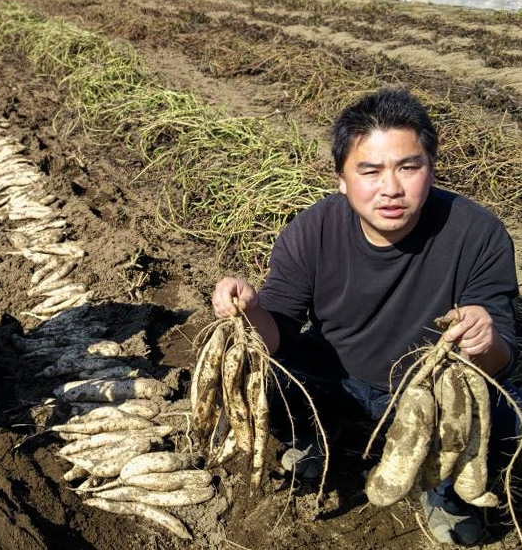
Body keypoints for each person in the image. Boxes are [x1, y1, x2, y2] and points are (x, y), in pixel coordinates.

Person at [212, 89, 518, 545]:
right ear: (342, 178)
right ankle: (317, 435)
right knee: (250, 370)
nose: (390, 188)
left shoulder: (479, 233)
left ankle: (445, 493)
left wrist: (482, 338)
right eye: (370, 171)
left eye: (407, 167)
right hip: (339, 377)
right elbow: (274, 335)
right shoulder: (312, 230)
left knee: (509, 413)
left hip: (431, 393)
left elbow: (501, 359)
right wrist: (249, 310)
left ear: (430, 169)